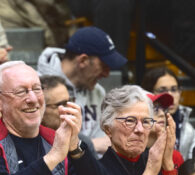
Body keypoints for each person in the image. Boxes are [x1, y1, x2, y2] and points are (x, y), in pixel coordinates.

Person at [37, 26, 128, 155]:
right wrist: (92, 145)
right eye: (104, 66)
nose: (107, 74)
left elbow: (104, 145)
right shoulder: (35, 87)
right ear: (83, 60)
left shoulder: (98, 92)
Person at [141, 67, 195, 159]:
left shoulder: (189, 131)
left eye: (174, 89)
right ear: (149, 92)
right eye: (162, 90)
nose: (170, 95)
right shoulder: (139, 128)